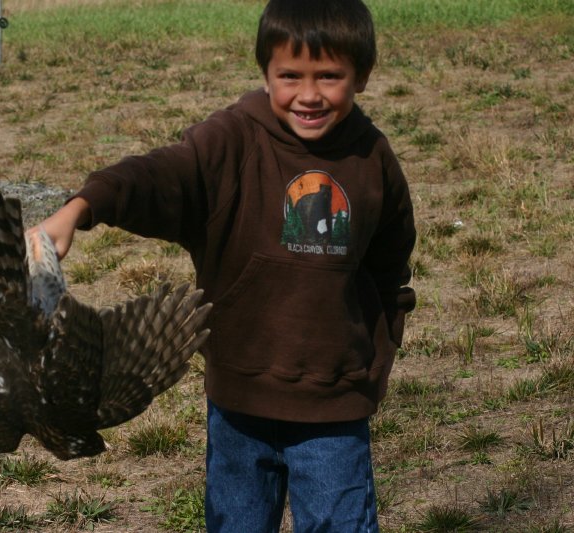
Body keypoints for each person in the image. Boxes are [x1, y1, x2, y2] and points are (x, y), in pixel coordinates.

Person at [27, 0, 416, 530]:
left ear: (362, 76)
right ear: (265, 72)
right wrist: (81, 207)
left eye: (329, 76)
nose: (309, 94)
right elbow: (162, 173)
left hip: (334, 410)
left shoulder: (374, 160)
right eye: (290, 75)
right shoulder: (232, 140)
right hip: (239, 404)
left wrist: (377, 352)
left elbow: (391, 267)